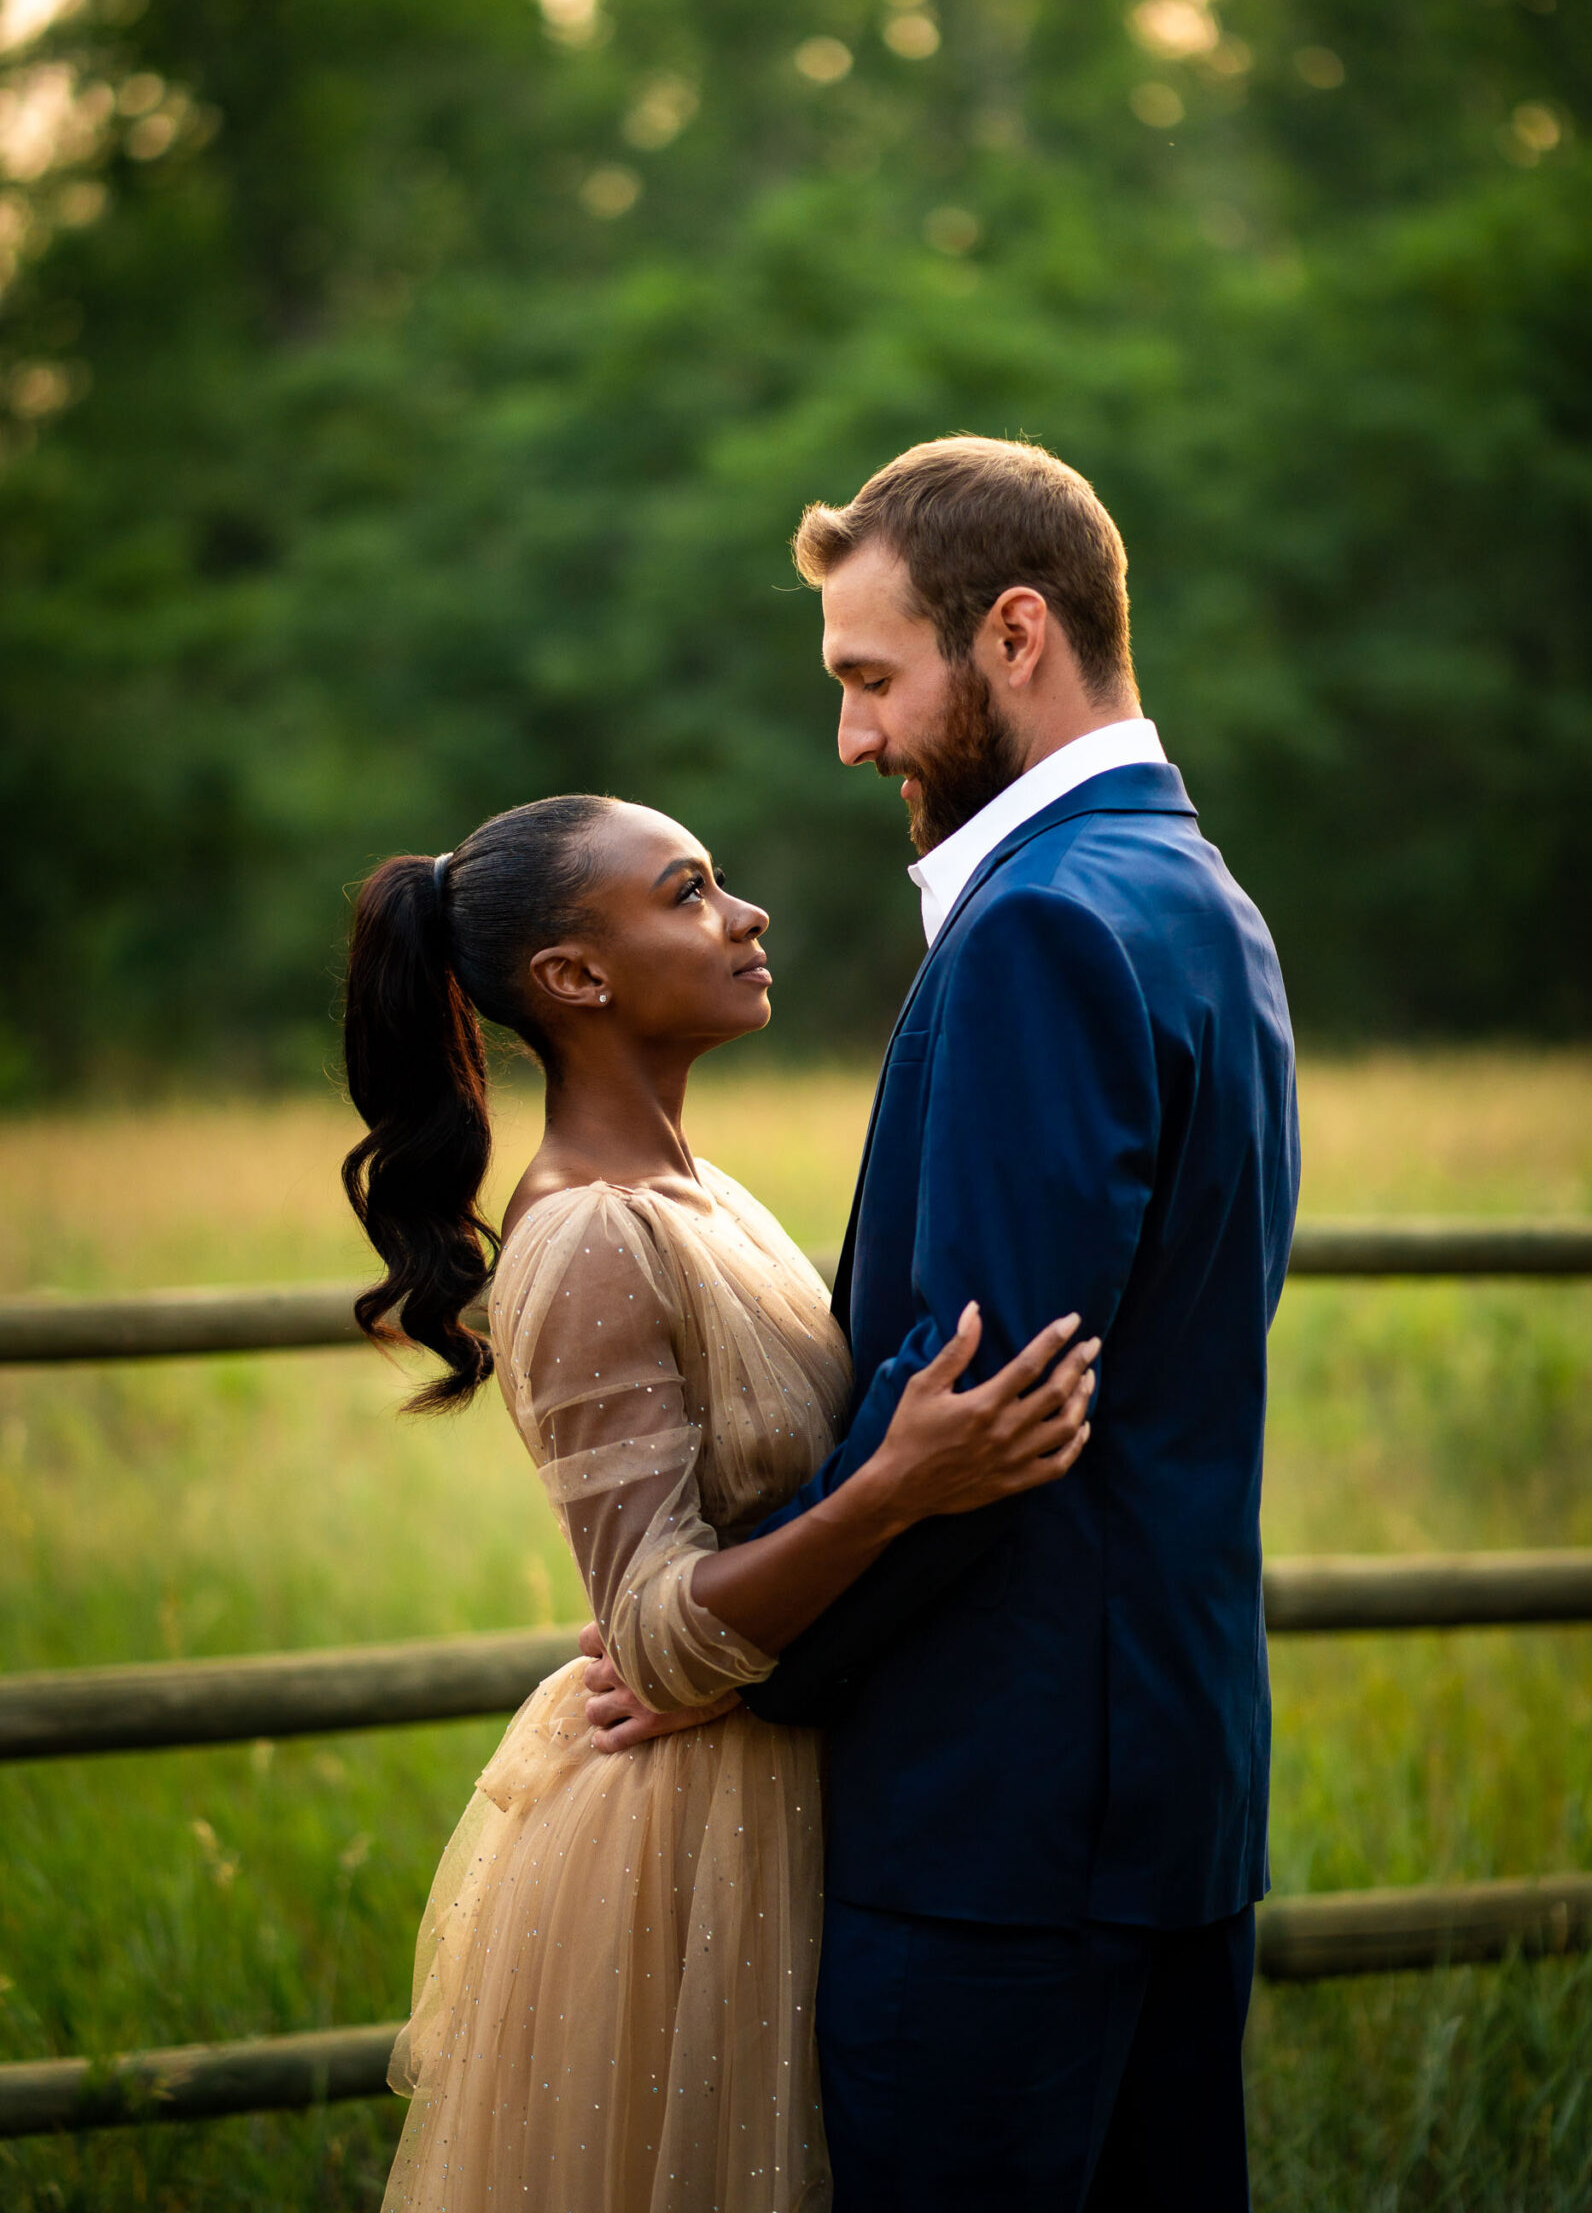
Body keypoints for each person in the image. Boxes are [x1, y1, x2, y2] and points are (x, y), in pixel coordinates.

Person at [586, 437, 1301, 2212]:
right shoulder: (1201, 897)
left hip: (1005, 1819)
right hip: (1172, 1790)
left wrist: (743, 1661)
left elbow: (974, 1412)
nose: (849, 738)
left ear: (1015, 635)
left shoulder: (1042, 926)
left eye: (868, 679)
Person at [339, 789, 1099, 2213]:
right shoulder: (585, 1237)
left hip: (792, 1785)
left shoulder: (701, 1193)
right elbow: (657, 1632)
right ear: (576, 977)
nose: (745, 915)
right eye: (688, 893)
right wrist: (896, 1484)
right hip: (689, 1847)